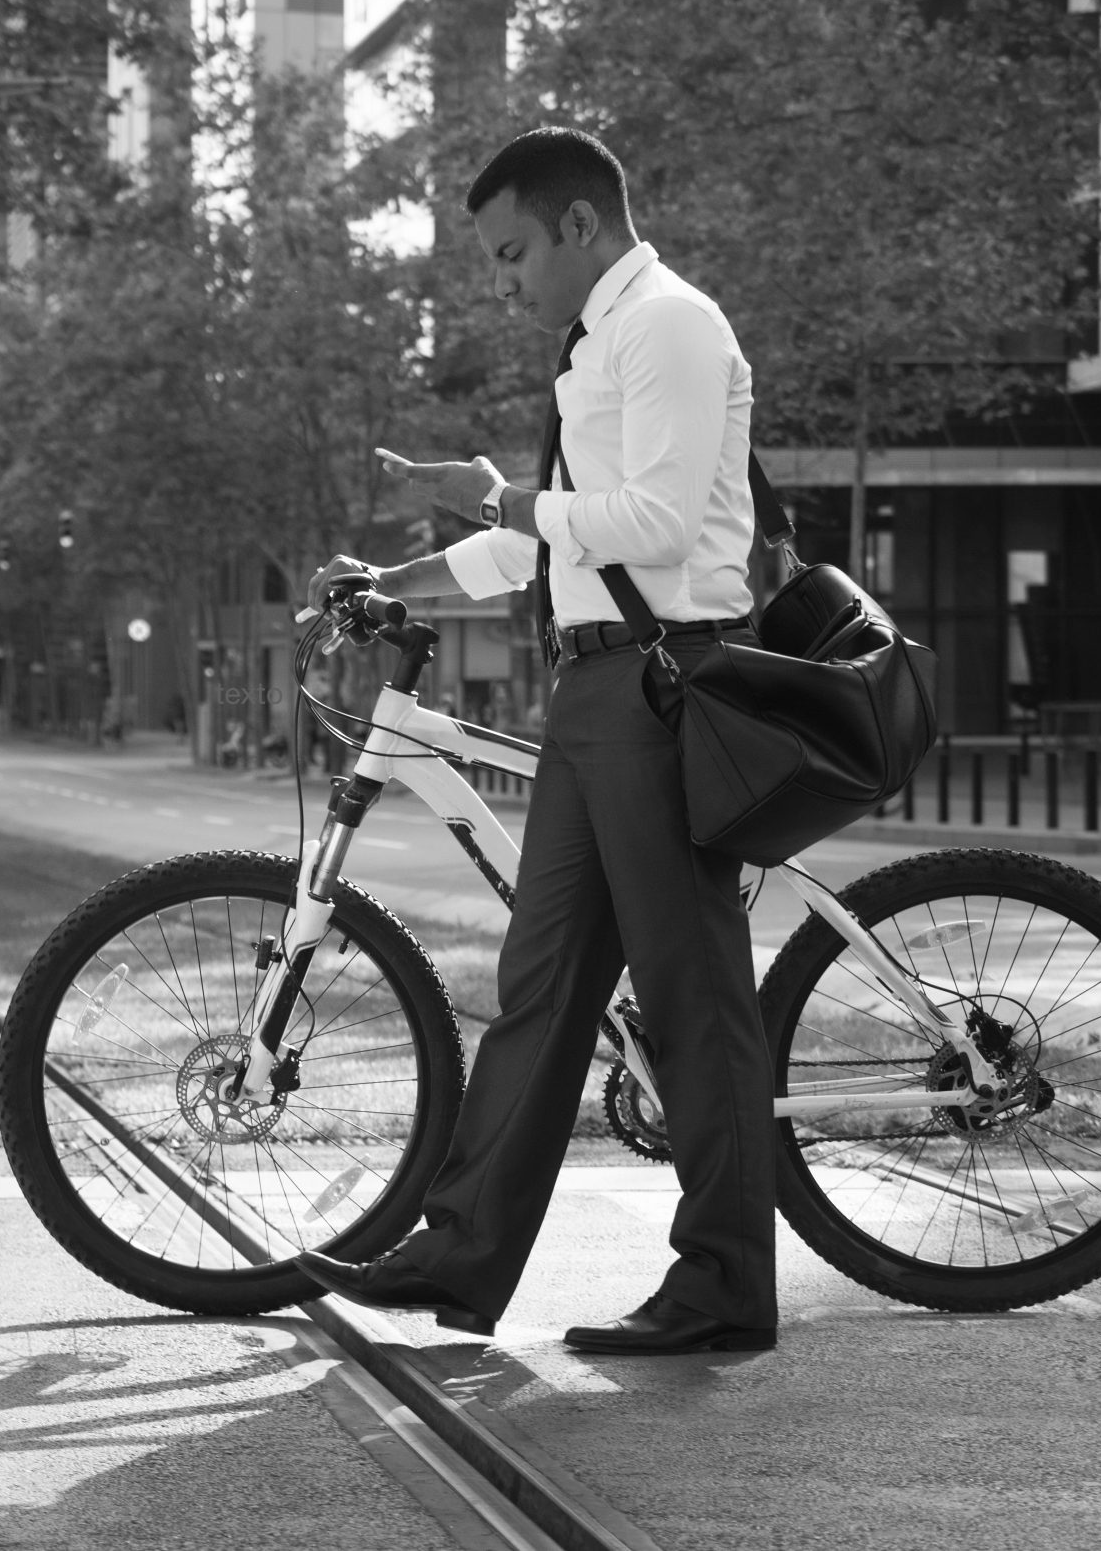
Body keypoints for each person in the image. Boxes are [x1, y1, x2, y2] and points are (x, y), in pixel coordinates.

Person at [296, 126, 775, 1355]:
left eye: (511, 253)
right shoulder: (593, 344)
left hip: (664, 687)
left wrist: (507, 494)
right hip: (593, 695)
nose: (503, 281)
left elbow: (657, 524)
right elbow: (541, 544)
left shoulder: (666, 320)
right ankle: (459, 1257)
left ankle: (723, 1287)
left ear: (578, 225)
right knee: (540, 989)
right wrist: (393, 574)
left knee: (687, 997)